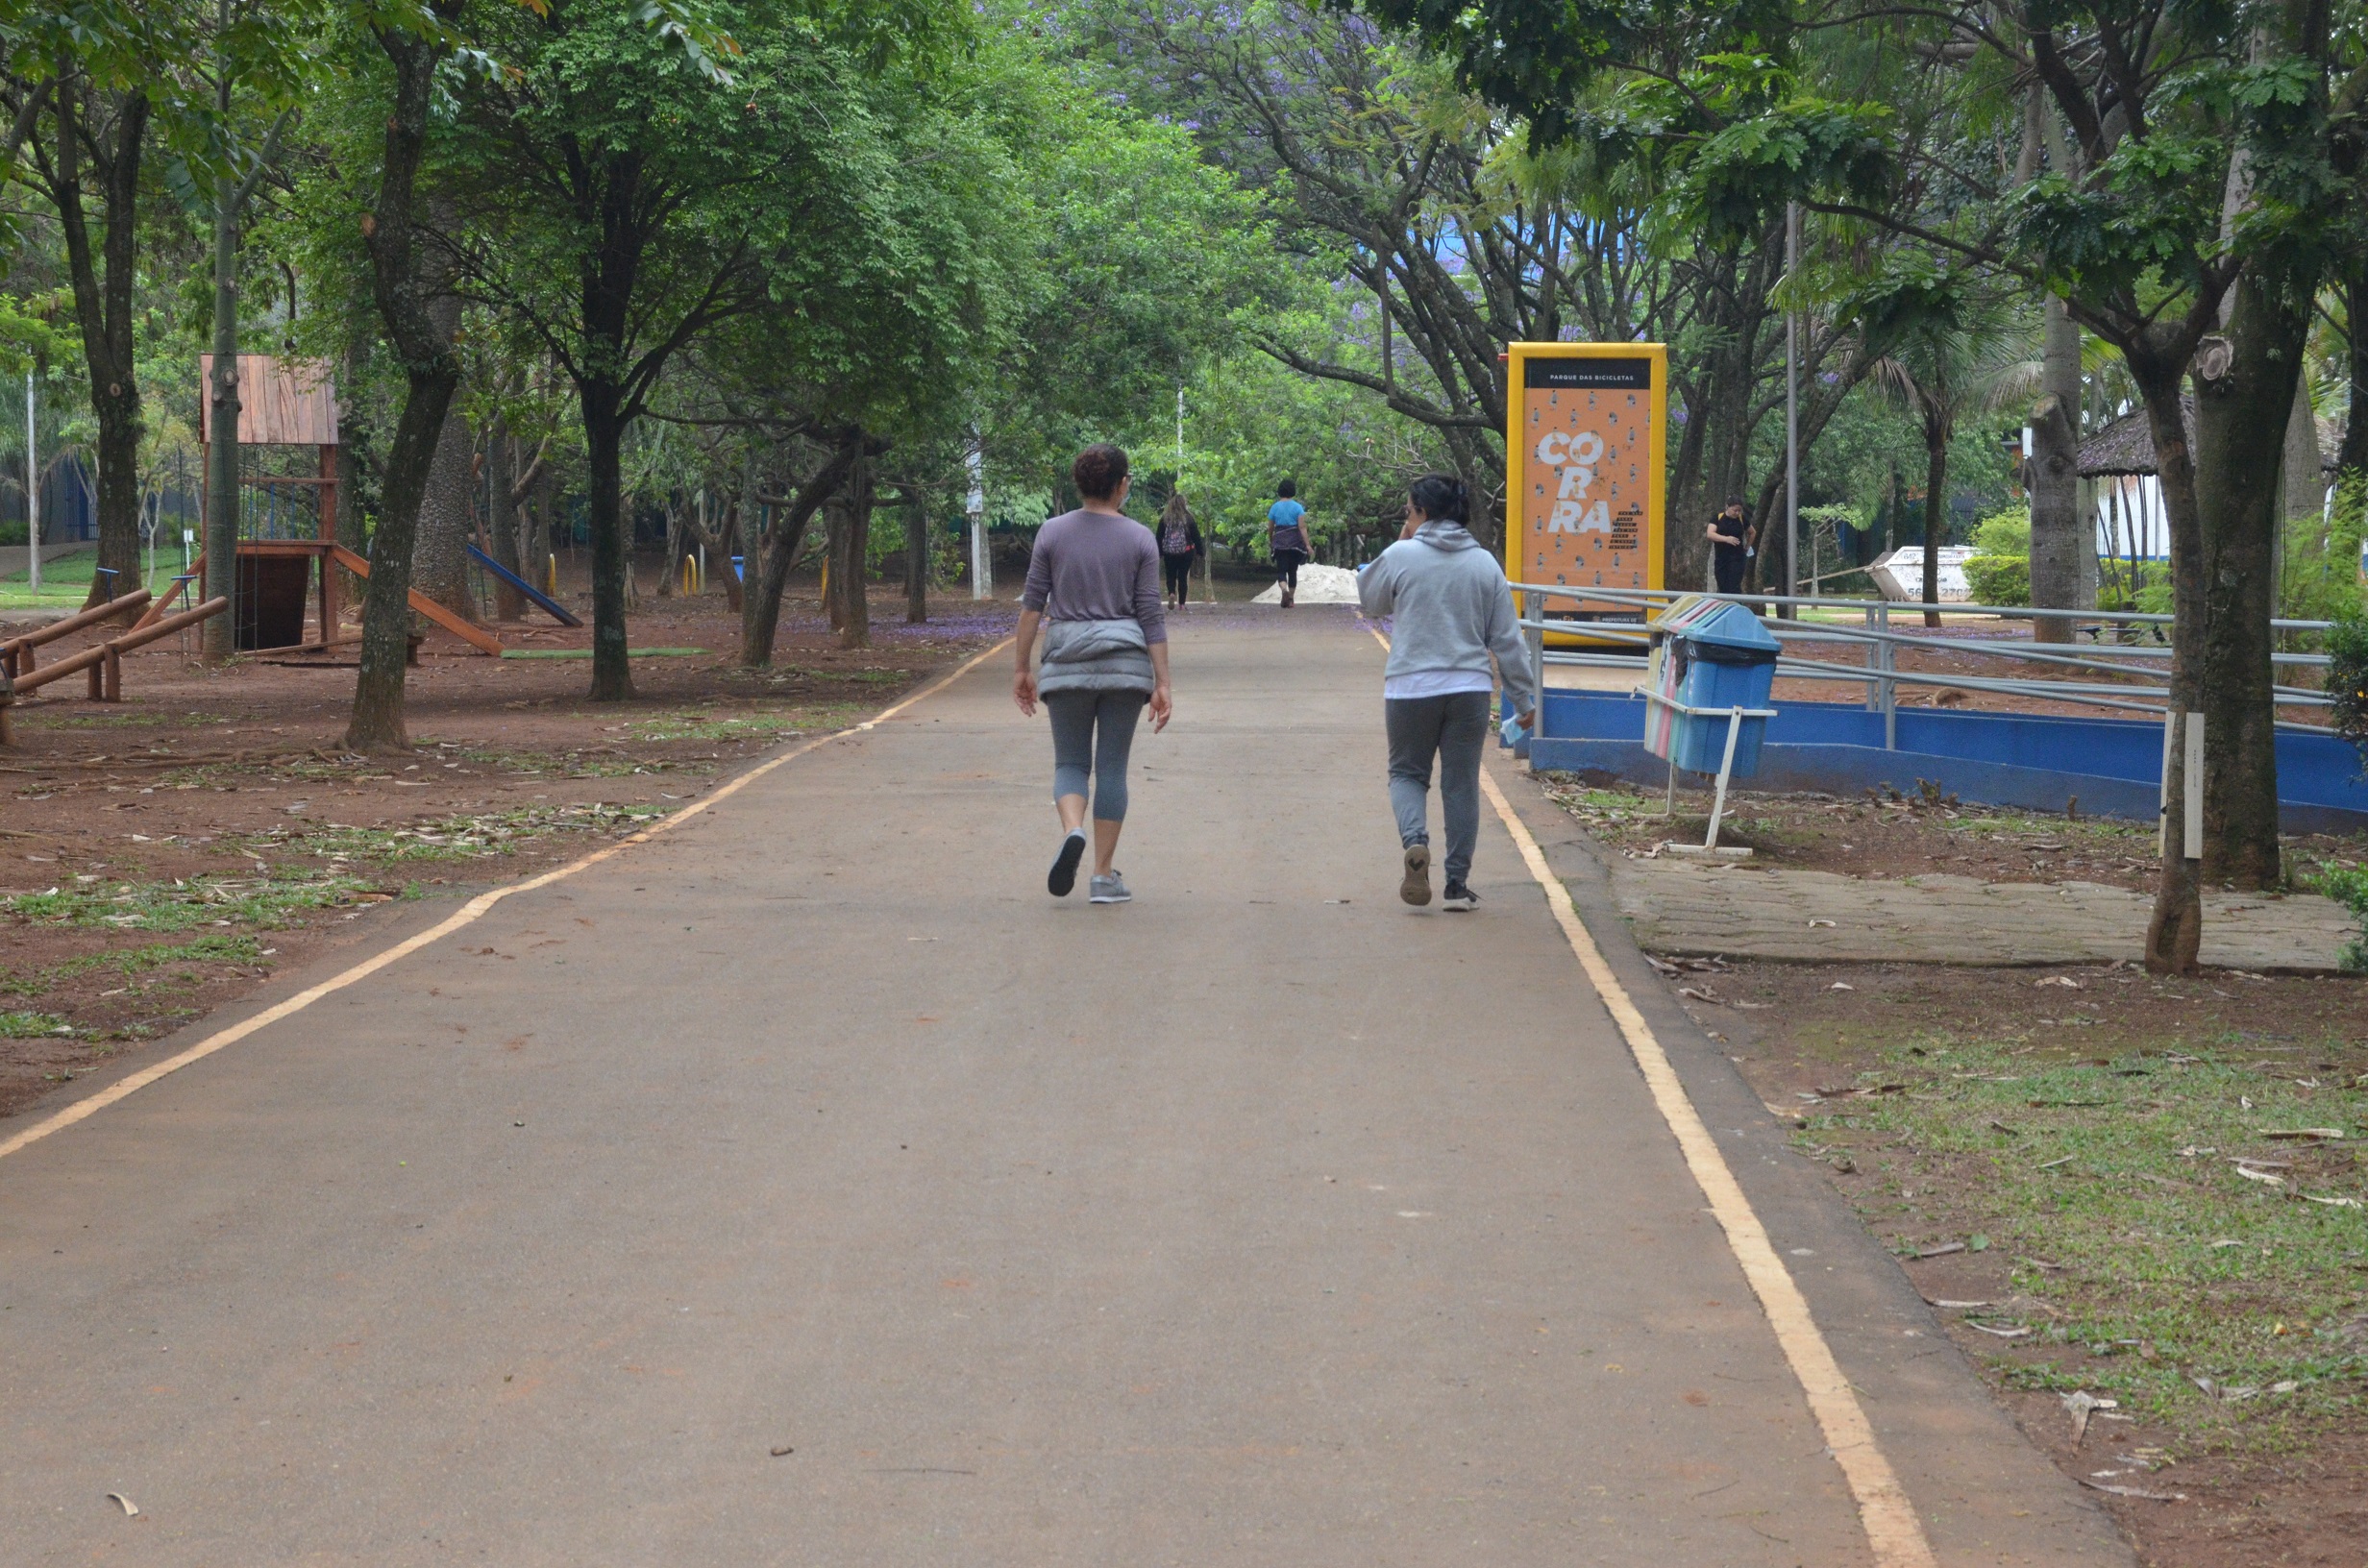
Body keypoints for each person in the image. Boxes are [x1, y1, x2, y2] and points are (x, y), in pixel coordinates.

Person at [1356, 474, 1537, 912]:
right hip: (1468, 690)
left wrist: (1404, 537)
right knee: (1460, 785)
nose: (1406, 518)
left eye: (1408, 511)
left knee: (1406, 775)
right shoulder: (1485, 564)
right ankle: (1457, 886)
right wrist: (1524, 699)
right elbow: (1508, 640)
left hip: (1409, 688)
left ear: (1421, 512)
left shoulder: (1402, 555)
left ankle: (1416, 841)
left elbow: (1370, 600)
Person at [1013, 444, 1173, 904]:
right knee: (1111, 769)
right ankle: (1103, 876)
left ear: (1079, 485)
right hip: (1125, 667)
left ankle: (1073, 830)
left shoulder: (1051, 533)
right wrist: (1163, 682)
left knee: (1070, 764)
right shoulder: (1141, 537)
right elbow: (1150, 615)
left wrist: (1023, 668)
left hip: (1066, 664)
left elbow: (1031, 608)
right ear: (1122, 486)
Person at [1268, 479, 1310, 608]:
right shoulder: (1298, 507)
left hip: (1280, 542)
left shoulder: (1275, 507)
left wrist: (1271, 540)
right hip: (1295, 543)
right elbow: (1302, 527)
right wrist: (1307, 545)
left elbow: (1270, 527)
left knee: (1281, 571)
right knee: (1292, 571)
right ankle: (1290, 599)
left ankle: (1284, 591)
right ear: (1292, 491)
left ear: (1280, 491)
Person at [1156, 491, 1202, 610]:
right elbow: (1196, 536)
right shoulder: (1188, 519)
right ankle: (1181, 604)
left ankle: (1171, 593)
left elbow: (1159, 536)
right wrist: (1200, 551)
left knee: (1170, 575)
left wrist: (1159, 552)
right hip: (1186, 552)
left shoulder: (1165, 518)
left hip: (1169, 553)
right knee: (1182, 577)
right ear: (1183, 504)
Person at [1708, 498, 1755, 596]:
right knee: (1722, 585)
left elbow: (1752, 532)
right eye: (1735, 510)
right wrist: (1726, 539)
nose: (1737, 513)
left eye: (1739, 510)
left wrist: (1747, 547)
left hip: (1737, 558)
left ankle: (1736, 605)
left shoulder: (1742, 519)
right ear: (1727, 507)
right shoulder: (1718, 518)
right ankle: (1725, 606)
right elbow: (1710, 534)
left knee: (1734, 586)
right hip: (1721, 558)